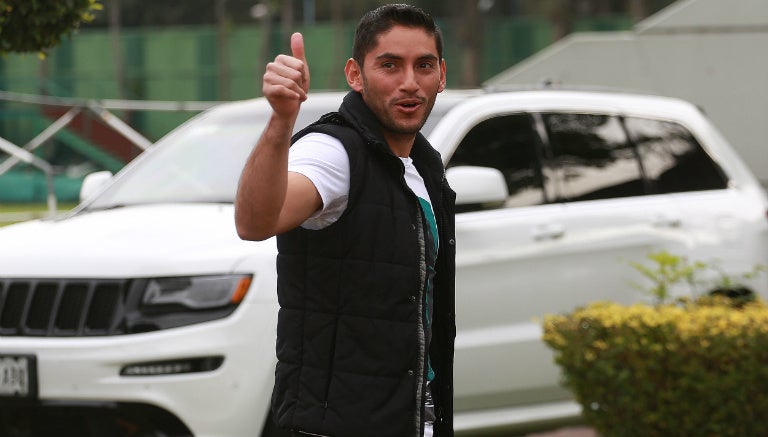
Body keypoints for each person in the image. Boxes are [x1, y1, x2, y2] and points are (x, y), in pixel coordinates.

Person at [235, 4, 456, 437]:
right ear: (355, 75)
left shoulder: (423, 164)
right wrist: (281, 121)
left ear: (442, 75)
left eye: (424, 65)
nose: (410, 82)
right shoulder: (333, 152)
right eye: (389, 65)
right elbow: (255, 222)